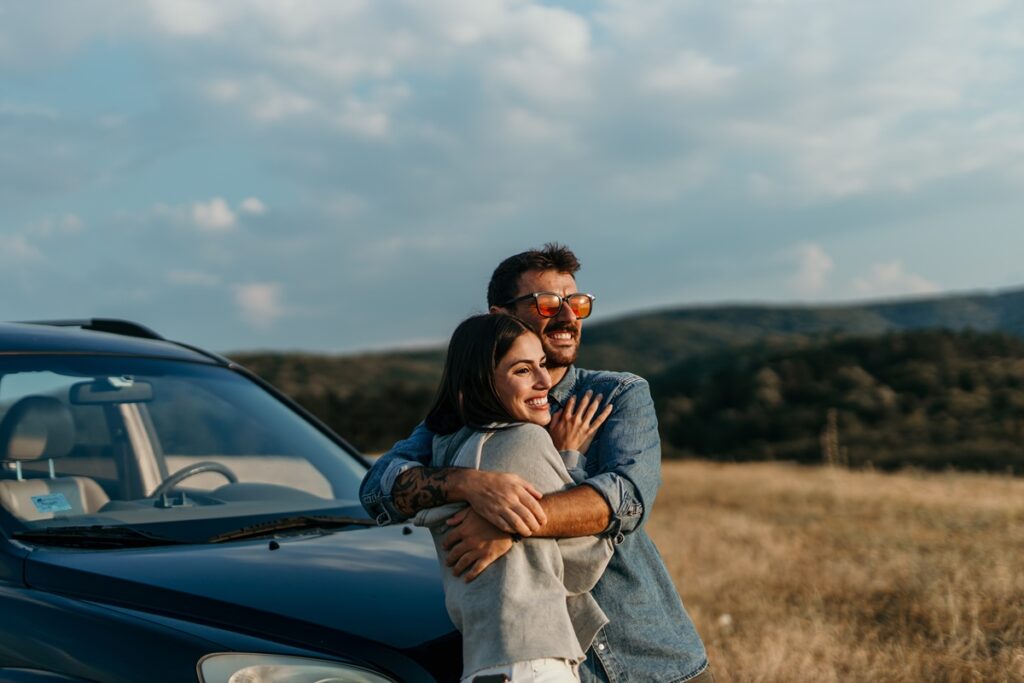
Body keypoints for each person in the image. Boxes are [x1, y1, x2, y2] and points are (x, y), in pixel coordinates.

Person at [361, 244, 711, 683]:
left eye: (577, 304)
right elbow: (377, 489)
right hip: (550, 664)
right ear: (499, 316)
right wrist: (468, 484)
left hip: (649, 657)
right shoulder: (458, 419)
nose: (568, 319)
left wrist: (506, 524)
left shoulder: (616, 394)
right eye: (548, 304)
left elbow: (624, 503)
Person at [417, 313, 614, 682]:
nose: (544, 381)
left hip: (483, 663)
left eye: (541, 364)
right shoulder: (524, 440)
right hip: (535, 661)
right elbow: (585, 559)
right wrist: (569, 457)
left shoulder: (444, 449)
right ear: (482, 382)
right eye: (522, 371)